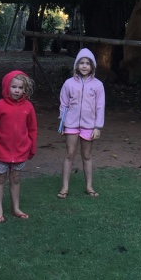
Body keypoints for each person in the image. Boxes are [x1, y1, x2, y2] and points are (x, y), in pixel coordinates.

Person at [0, 70, 38, 223]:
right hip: (1, 150)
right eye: (13, 87)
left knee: (15, 179)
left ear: (25, 89)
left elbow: (32, 129)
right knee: (0, 179)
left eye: (20, 88)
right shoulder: (0, 106)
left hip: (21, 151)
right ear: (7, 87)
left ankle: (16, 208)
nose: (17, 90)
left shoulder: (28, 107)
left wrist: (31, 146)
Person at [58, 48, 105, 198]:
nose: (84, 66)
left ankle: (89, 186)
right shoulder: (68, 83)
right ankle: (64, 187)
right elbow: (64, 104)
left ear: (92, 66)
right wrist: (62, 123)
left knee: (87, 155)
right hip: (71, 124)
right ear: (76, 65)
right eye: (81, 63)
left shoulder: (98, 85)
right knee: (69, 154)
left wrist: (98, 126)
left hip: (89, 125)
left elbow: (100, 106)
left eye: (87, 63)